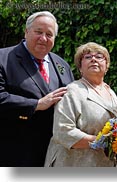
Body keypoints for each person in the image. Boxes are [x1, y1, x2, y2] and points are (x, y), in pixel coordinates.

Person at [0, 11, 74, 167]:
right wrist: (37, 104)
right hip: (14, 154)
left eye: (49, 34)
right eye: (38, 32)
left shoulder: (62, 65)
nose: (43, 38)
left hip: (54, 155)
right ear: (26, 31)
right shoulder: (3, 58)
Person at [44, 42, 117, 167]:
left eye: (99, 56)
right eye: (87, 57)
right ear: (80, 67)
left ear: (107, 66)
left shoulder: (111, 92)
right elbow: (63, 131)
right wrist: (102, 142)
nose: (93, 59)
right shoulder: (71, 91)